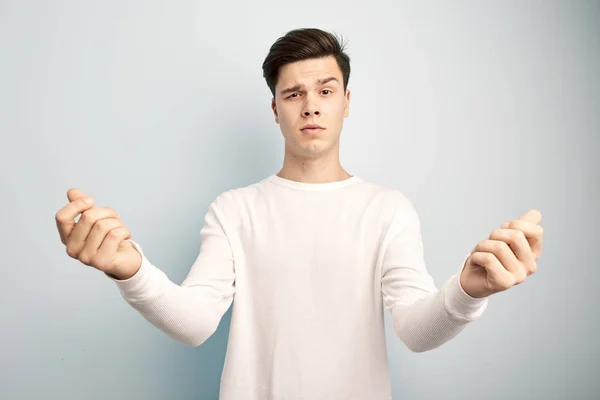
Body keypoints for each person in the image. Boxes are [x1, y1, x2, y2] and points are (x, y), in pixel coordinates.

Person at [54, 28, 544, 400]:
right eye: (294, 94)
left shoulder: (387, 209)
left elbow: (415, 331)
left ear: (346, 103)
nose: (311, 106)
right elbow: (195, 322)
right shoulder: (234, 210)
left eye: (326, 91)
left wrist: (467, 291)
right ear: (275, 109)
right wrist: (131, 271)